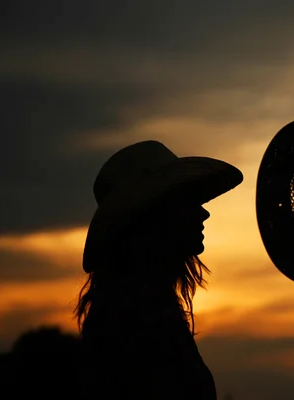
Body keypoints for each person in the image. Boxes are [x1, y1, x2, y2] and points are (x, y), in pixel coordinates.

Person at [74, 140, 243, 399]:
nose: (203, 213)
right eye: (187, 200)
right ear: (157, 215)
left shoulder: (131, 306)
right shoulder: (138, 318)